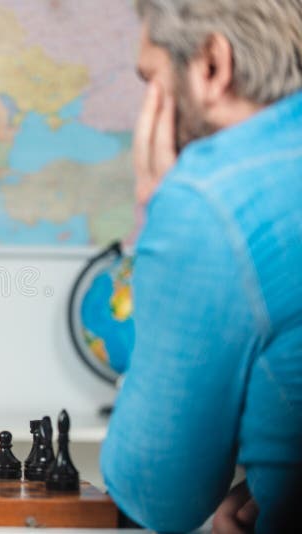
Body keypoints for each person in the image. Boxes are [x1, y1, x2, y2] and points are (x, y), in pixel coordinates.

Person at [100, 1, 302, 533]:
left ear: (212, 64)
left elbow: (157, 495)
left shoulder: (208, 200)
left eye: (152, 78)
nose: (147, 104)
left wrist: (155, 213)